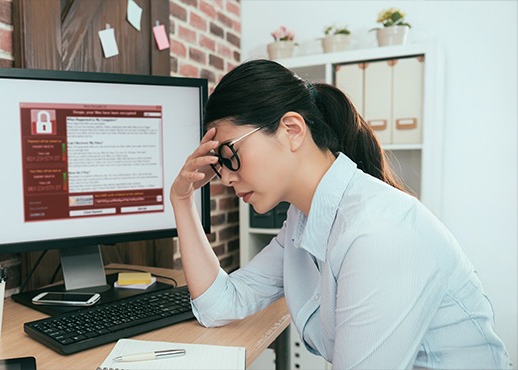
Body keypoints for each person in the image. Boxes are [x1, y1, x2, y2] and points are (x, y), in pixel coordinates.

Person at [170, 59, 512, 369]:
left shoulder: (379, 234)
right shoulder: (301, 223)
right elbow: (221, 305)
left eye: (229, 154)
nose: (226, 178)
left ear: (292, 130)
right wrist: (182, 200)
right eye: (218, 165)